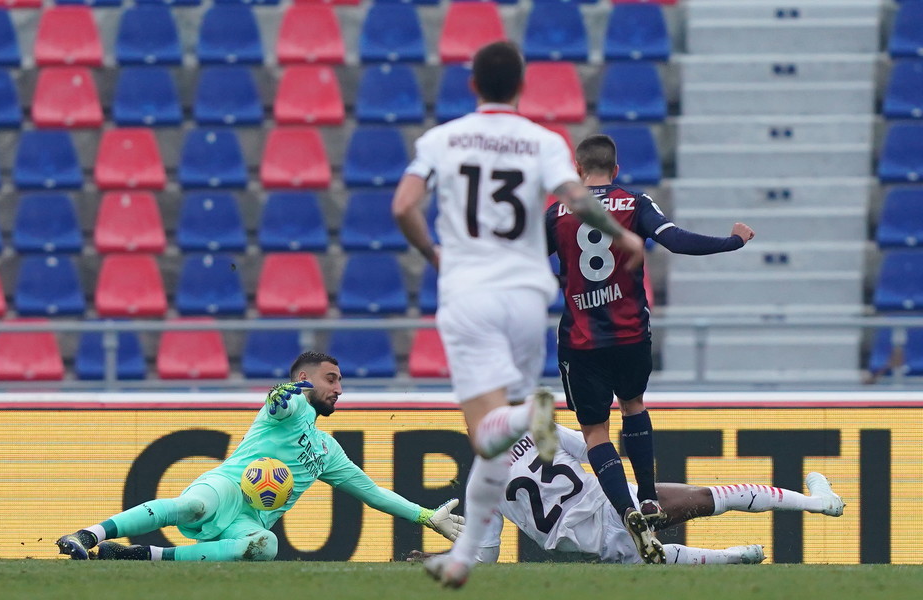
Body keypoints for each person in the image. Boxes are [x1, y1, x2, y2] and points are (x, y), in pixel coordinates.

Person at [392, 41, 646, 588]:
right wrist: (623, 232)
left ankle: (531, 420)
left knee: (488, 431)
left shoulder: (442, 139)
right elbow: (578, 200)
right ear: (521, 87)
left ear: (473, 85)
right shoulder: (542, 141)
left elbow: (402, 206)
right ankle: (464, 556)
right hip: (528, 297)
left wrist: (435, 255)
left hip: (471, 294)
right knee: (497, 441)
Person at [545, 134, 756, 563]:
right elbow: (676, 240)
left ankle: (625, 512)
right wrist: (731, 240)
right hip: (630, 336)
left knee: (595, 431)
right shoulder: (635, 203)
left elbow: (524, 260)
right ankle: (647, 499)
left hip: (581, 341)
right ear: (615, 169)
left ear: (578, 169)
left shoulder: (557, 213)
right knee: (634, 405)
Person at [55, 351, 465, 562]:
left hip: (251, 519)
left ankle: (143, 556)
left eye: (341, 381)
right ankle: (88, 535)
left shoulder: (327, 451)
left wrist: (426, 516)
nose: (340, 388)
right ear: (304, 380)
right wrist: (278, 393)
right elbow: (277, 402)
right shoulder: (293, 407)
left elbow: (372, 492)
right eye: (332, 379)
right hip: (227, 488)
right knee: (192, 505)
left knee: (264, 547)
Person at [407, 425, 844, 566]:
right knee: (715, 497)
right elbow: (598, 451)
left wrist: (443, 554)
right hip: (616, 503)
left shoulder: (479, 486)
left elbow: (485, 558)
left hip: (592, 540)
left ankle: (735, 557)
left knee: (659, 561)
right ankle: (816, 503)